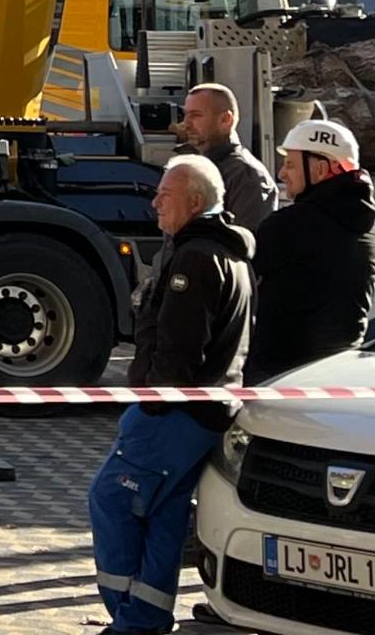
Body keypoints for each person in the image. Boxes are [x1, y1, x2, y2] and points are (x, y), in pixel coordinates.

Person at [89, 153, 254, 635]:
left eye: (166, 193)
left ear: (196, 201)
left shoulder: (196, 257)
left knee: (112, 500)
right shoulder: (224, 252)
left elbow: (179, 344)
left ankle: (131, 617)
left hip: (173, 416)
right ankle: (147, 619)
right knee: (163, 515)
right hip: (204, 414)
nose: (155, 200)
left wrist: (154, 403)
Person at [244, 117, 375, 381]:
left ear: (320, 170)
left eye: (290, 165)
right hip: (340, 371)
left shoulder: (287, 225)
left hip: (276, 375)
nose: (282, 174)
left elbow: (240, 287)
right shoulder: (373, 228)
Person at [177, 83, 275, 228]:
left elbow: (245, 243)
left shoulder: (245, 175)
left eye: (195, 115)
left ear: (225, 119)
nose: (186, 124)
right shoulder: (195, 166)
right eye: (186, 115)